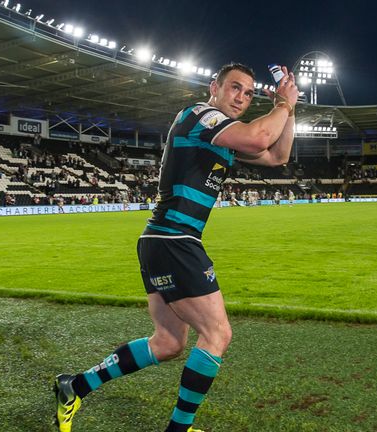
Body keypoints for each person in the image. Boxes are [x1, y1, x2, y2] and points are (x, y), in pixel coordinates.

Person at [53, 63, 298, 432]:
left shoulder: (222, 133)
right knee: (217, 334)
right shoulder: (200, 115)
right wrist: (281, 103)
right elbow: (259, 138)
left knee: (167, 342)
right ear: (213, 87)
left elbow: (277, 155)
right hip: (174, 240)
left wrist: (289, 109)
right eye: (235, 88)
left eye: (248, 94)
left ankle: (74, 386)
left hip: (161, 241)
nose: (242, 98)